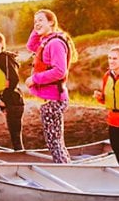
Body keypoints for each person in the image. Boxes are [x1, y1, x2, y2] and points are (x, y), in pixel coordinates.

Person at [25, 9, 78, 163]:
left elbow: (60, 71)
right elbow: (30, 45)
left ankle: (65, 170)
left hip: (55, 99)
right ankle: (65, 167)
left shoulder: (55, 43)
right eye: (35, 21)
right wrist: (37, 29)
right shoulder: (46, 41)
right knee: (54, 143)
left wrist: (35, 78)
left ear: (51, 22)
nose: (36, 24)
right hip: (50, 100)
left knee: (55, 143)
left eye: (41, 20)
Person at [0, 31, 25, 150]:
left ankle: (21, 158)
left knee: (15, 137)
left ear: (1, 44)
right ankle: (19, 155)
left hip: (14, 101)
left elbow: (13, 79)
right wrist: (2, 102)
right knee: (14, 135)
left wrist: (4, 99)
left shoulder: (4, 58)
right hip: (9, 101)